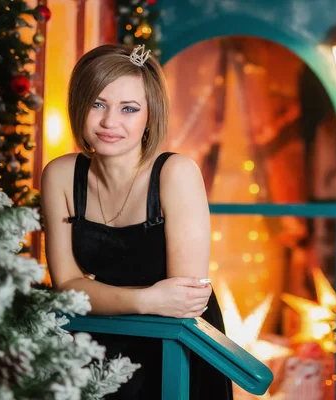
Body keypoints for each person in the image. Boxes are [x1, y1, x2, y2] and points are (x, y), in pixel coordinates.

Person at [41, 44, 233, 399]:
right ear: (78, 106)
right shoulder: (60, 176)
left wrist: (99, 293)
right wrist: (146, 299)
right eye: (98, 104)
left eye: (129, 109)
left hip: (178, 346)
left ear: (150, 116)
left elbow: (182, 301)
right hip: (99, 343)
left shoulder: (176, 173)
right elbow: (65, 286)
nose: (110, 122)